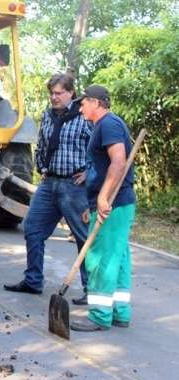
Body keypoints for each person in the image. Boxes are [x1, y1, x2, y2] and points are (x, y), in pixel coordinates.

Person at [4, 73, 90, 304]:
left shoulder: (84, 117)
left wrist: (91, 173)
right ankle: (33, 281)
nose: (54, 97)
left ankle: (91, 290)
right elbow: (41, 144)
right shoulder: (48, 116)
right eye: (52, 93)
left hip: (75, 186)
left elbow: (102, 149)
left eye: (59, 93)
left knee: (83, 237)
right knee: (32, 228)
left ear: (71, 92)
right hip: (49, 182)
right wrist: (42, 166)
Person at [70, 85, 136, 332]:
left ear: (96, 102)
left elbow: (118, 162)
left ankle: (99, 316)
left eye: (83, 102)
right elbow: (103, 166)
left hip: (115, 202)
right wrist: (93, 202)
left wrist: (103, 197)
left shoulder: (108, 124)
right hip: (117, 203)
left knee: (100, 259)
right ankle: (120, 312)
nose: (80, 107)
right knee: (118, 259)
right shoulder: (106, 125)